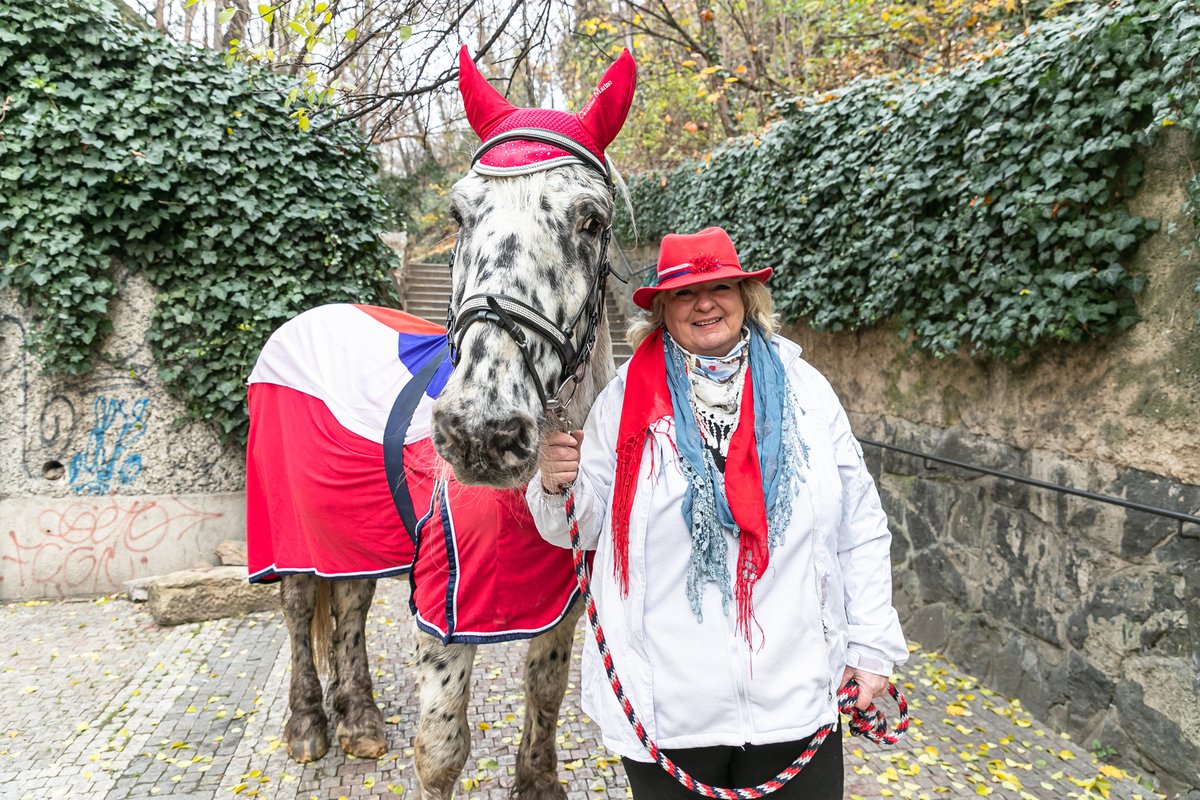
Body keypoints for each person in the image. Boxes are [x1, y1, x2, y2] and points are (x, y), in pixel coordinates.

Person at [525, 226, 908, 798]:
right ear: (661, 310)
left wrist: (871, 648)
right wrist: (556, 486)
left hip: (796, 701)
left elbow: (861, 526)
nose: (705, 303)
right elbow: (575, 529)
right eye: (684, 293)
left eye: (721, 287)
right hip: (669, 708)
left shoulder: (807, 391)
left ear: (745, 297)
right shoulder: (622, 402)